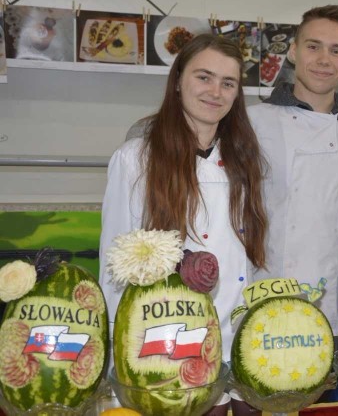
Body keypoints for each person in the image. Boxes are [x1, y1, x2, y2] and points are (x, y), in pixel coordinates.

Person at [99, 34, 267, 363]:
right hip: (164, 341)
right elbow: (114, 266)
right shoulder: (135, 160)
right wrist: (121, 348)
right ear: (177, 81)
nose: (215, 92)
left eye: (228, 83)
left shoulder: (243, 160)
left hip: (235, 341)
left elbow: (247, 260)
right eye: (204, 77)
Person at [247, 5, 338, 334]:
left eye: (336, 50)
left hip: (336, 305)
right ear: (293, 52)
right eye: (313, 46)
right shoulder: (251, 123)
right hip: (264, 292)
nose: (324, 59)